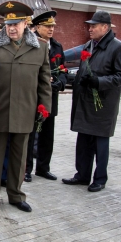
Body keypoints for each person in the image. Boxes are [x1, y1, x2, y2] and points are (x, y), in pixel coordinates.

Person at [0, 1, 52, 213]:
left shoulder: (40, 46)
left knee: (19, 157)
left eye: (16, 23)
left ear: (26, 23)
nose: (11, 28)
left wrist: (43, 107)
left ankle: (16, 195)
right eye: (8, 23)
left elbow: (44, 81)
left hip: (25, 110)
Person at [62, 11, 121, 192]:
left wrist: (99, 82)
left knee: (100, 143)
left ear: (105, 27)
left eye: (94, 26)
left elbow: (119, 76)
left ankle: (100, 179)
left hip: (103, 104)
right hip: (86, 101)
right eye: (90, 25)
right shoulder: (90, 44)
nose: (90, 28)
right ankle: (82, 175)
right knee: (83, 140)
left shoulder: (116, 47)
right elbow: (78, 60)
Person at [25, 11, 67, 182]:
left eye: (53, 26)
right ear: (37, 27)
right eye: (48, 26)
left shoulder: (57, 46)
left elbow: (63, 70)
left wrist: (59, 83)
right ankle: (26, 169)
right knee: (30, 134)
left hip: (51, 97)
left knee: (47, 135)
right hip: (33, 97)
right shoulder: (29, 43)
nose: (51, 29)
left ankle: (43, 168)